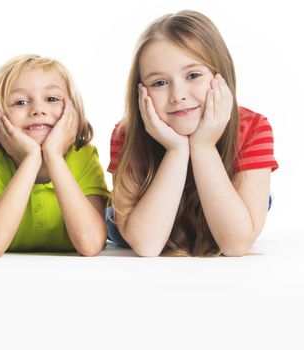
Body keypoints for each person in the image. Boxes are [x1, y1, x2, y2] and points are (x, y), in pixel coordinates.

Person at [108, 10, 278, 257]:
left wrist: (203, 146)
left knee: (248, 211)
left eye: (193, 75)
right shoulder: (126, 134)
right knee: (116, 223)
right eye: (159, 83)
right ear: (141, 91)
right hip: (146, 222)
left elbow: (236, 245)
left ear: (222, 76)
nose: (178, 94)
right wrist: (176, 150)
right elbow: (147, 246)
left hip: (227, 214)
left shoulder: (253, 128)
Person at [0, 55, 109, 257]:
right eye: (20, 102)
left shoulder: (83, 157)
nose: (38, 110)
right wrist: (31, 159)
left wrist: (53, 156)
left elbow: (91, 244)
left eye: (52, 99)